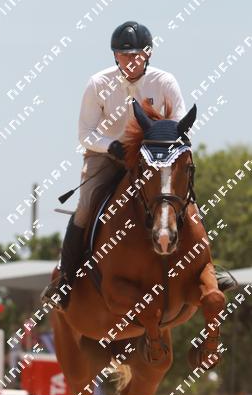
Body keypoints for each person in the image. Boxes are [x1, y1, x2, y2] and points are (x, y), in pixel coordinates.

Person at [42, 20, 237, 310]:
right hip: (108, 155)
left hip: (154, 157)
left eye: (136, 55)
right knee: (85, 207)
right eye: (124, 55)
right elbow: (85, 134)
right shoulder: (98, 83)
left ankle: (208, 267)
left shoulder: (165, 82)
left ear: (148, 54)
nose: (130, 61)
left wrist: (159, 152)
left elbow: (179, 127)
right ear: (115, 56)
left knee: (184, 199)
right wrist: (111, 145)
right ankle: (65, 279)